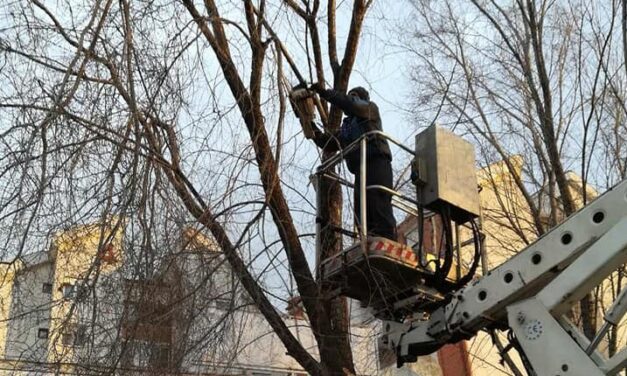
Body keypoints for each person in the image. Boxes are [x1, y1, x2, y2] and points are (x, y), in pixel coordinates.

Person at [309, 83, 397, 240]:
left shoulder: (370, 110)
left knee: (378, 205)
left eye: (354, 96)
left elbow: (351, 105)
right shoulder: (347, 130)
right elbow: (328, 142)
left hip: (377, 164)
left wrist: (325, 93)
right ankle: (368, 243)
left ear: (363, 99)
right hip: (360, 171)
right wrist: (310, 125)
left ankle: (388, 240)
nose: (350, 98)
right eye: (350, 95)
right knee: (361, 213)